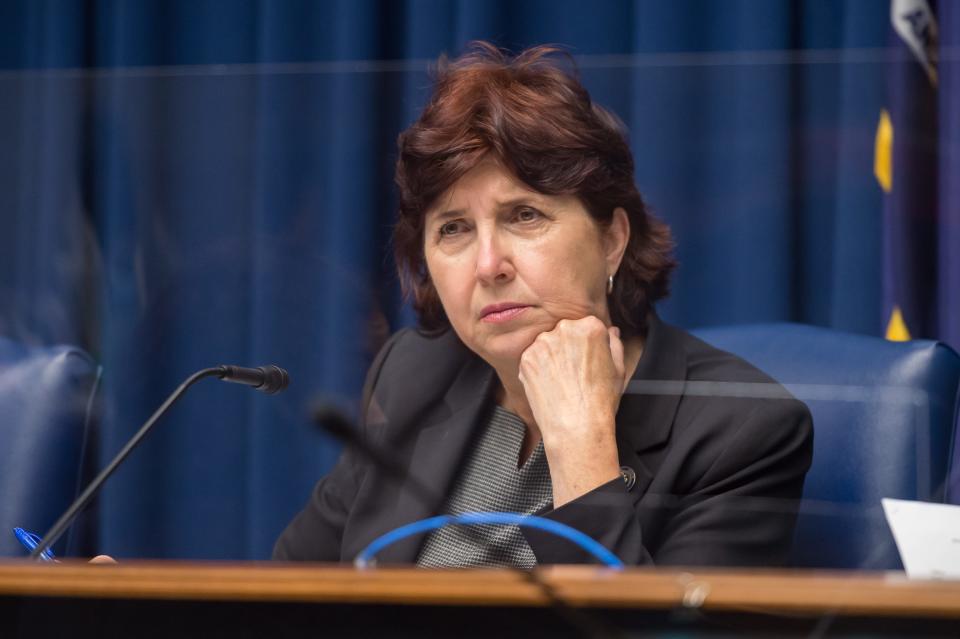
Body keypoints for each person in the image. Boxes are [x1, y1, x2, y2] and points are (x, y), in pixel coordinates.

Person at [274, 42, 813, 567]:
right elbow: (282, 599)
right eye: (454, 229)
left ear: (612, 240)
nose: (488, 265)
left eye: (524, 216)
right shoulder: (412, 372)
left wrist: (580, 444)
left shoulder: (740, 432)